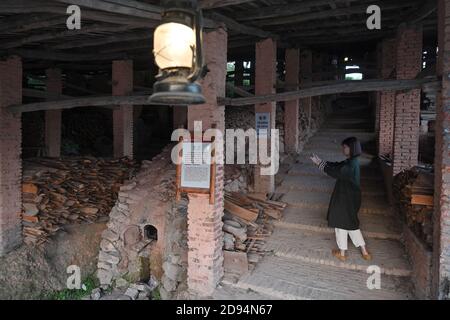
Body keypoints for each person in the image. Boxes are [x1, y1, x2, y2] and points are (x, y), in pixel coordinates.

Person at [310, 137, 371, 262]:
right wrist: (322, 162)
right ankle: (364, 252)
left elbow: (336, 173)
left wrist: (319, 164)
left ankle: (342, 253)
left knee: (340, 222)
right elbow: (337, 165)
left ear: (351, 148)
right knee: (351, 224)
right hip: (348, 197)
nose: (343, 149)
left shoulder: (351, 164)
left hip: (346, 198)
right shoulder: (351, 162)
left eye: (345, 147)